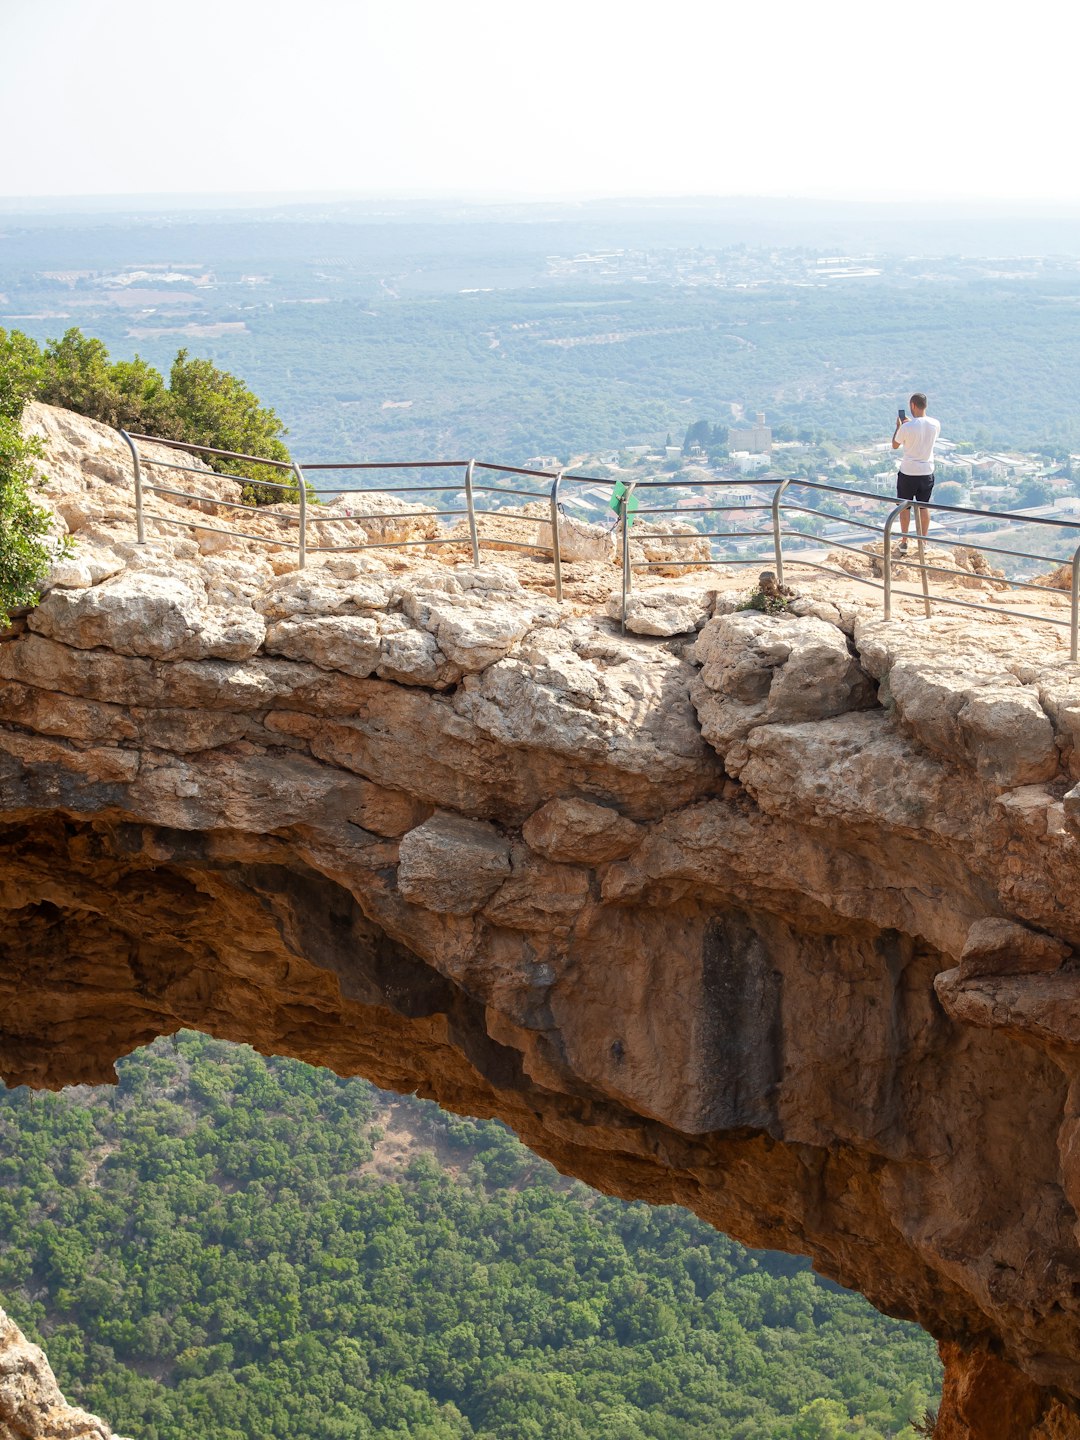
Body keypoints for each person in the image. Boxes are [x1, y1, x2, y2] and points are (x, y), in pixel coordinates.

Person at [891, 393, 940, 551]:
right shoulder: (935, 424)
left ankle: (904, 541)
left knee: (904, 507)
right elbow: (922, 433)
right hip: (926, 472)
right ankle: (923, 543)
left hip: (908, 472)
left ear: (912, 405)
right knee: (923, 507)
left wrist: (899, 427)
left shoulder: (906, 427)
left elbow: (895, 445)